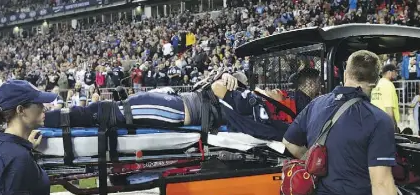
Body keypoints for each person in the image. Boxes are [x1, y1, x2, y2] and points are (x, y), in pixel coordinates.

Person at [282, 50, 407, 195]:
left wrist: (314, 160)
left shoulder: (316, 105)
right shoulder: (377, 120)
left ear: (346, 74)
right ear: (376, 80)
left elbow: (290, 142)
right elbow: (381, 183)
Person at [44, 72, 288, 141]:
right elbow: (223, 86)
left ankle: (46, 120)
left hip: (178, 110)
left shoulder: (257, 110)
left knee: (106, 113)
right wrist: (228, 75)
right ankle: (47, 118)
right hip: (177, 104)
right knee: (108, 110)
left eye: (281, 93)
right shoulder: (252, 97)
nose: (278, 90)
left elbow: (219, 92)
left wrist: (224, 82)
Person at [371, 63, 401, 131]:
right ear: (389, 72)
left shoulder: (376, 85)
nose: (397, 74)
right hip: (386, 123)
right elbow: (389, 107)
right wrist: (393, 126)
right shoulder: (388, 85)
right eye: (395, 72)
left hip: (375, 122)